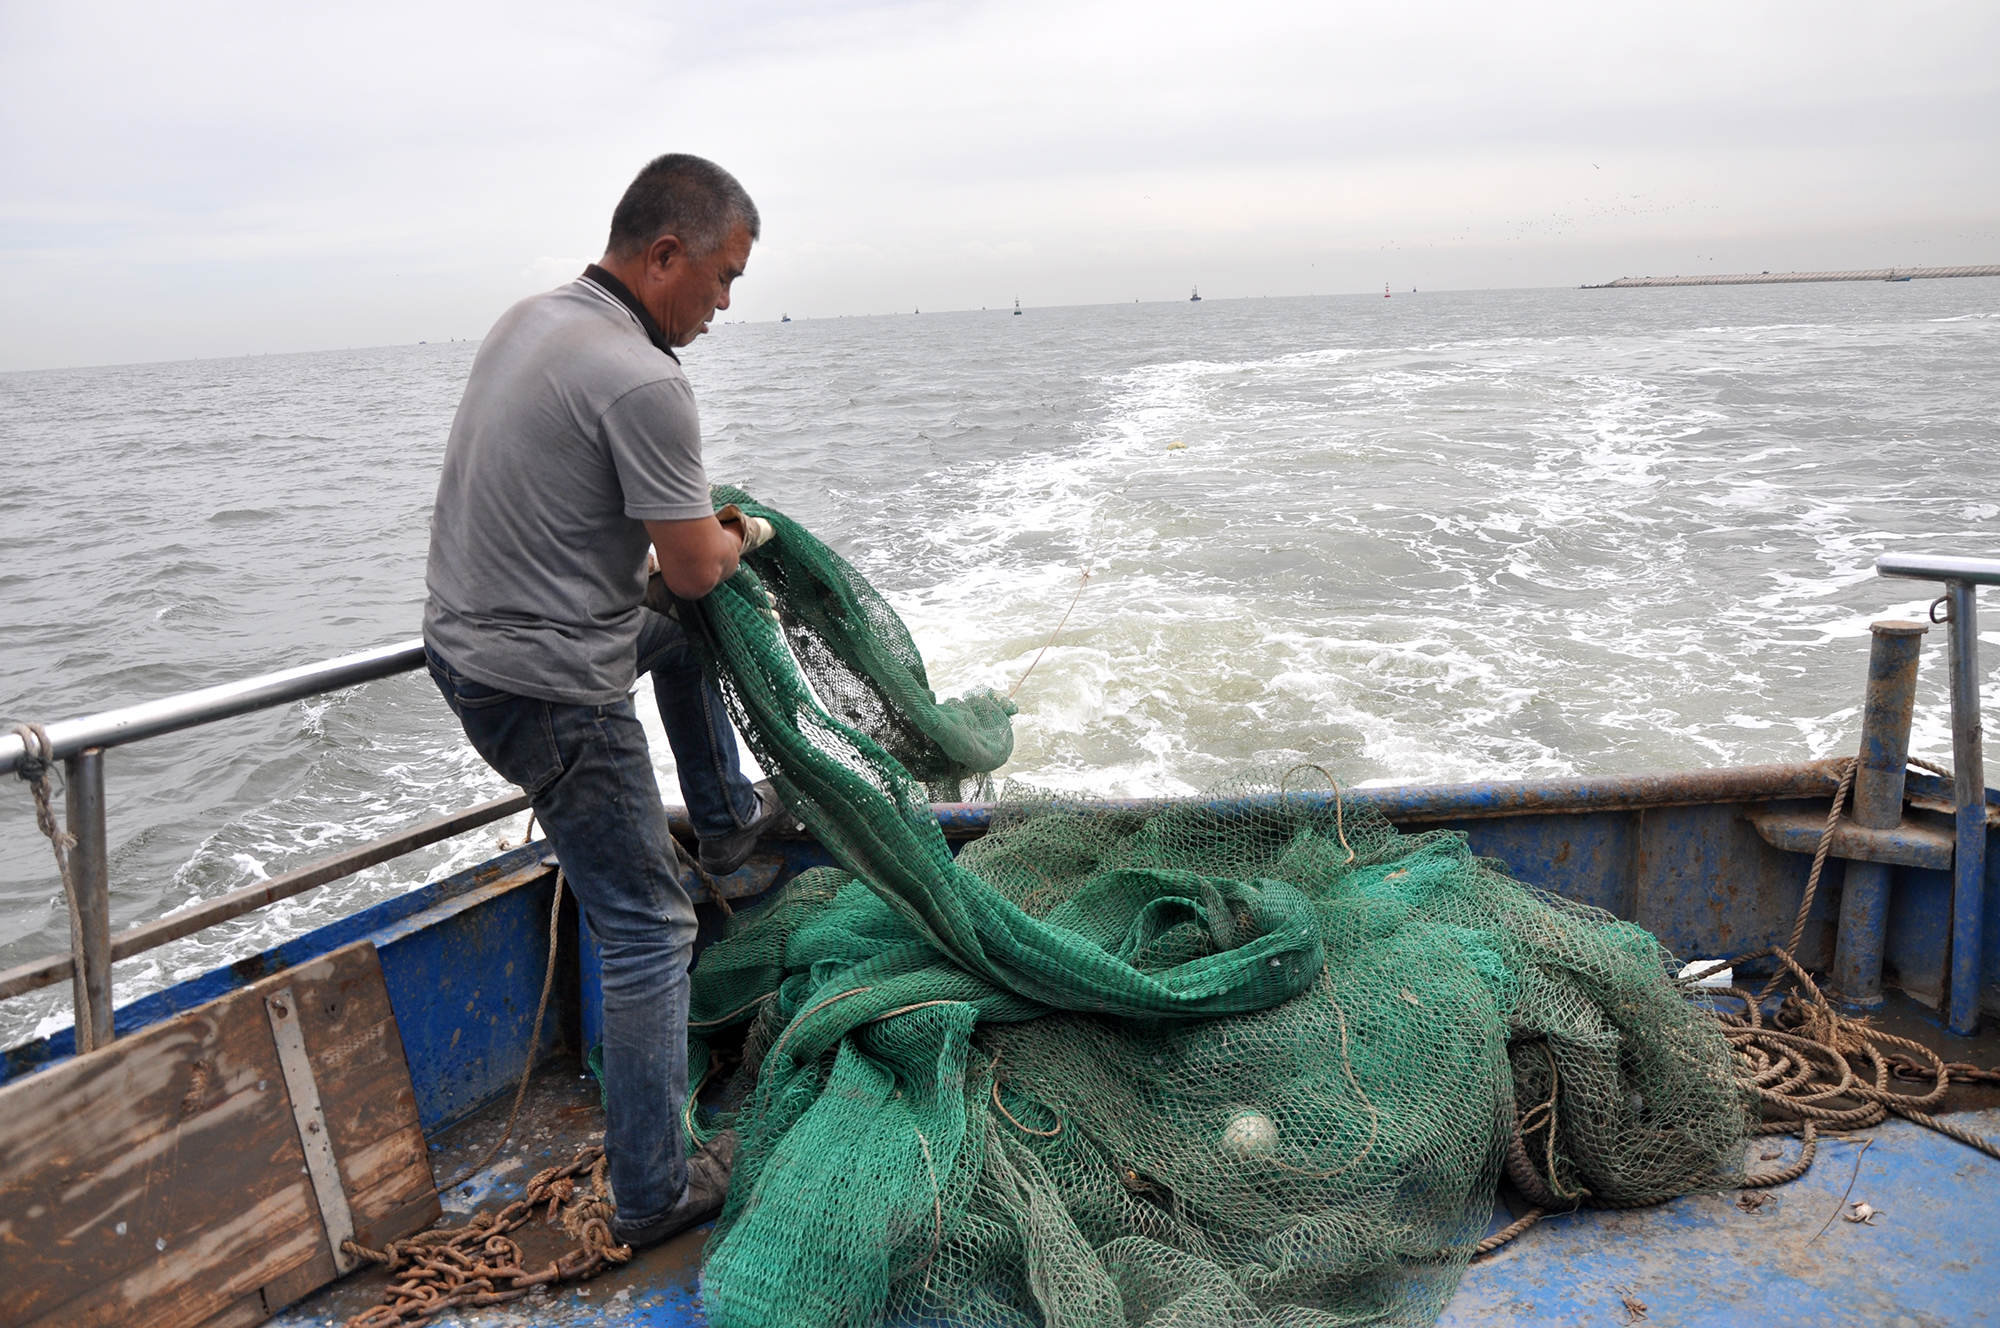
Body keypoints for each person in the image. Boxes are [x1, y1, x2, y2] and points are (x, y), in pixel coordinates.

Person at [421, 153, 787, 1249]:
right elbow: (689, 569)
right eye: (720, 279)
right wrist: (738, 533)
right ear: (663, 253)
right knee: (644, 923)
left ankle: (723, 821)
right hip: (547, 691)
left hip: (465, 652)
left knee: (674, 648)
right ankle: (654, 1189)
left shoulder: (532, 318)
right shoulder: (644, 378)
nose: (721, 310)